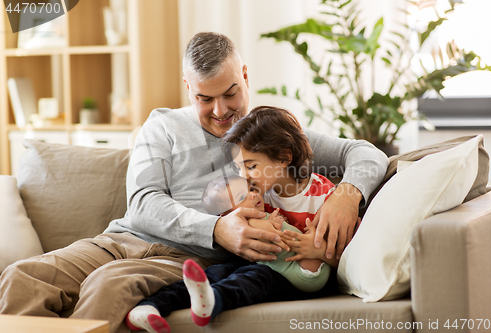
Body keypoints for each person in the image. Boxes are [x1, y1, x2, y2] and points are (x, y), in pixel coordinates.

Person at [0, 32, 388, 333]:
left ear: (246, 77)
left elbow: (367, 154)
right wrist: (218, 227)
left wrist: (347, 195)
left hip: (186, 258)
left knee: (107, 287)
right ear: (188, 87)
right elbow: (143, 203)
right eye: (205, 98)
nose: (221, 111)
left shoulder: (271, 132)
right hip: (120, 239)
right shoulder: (163, 125)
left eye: (231, 93)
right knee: (23, 276)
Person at [125, 106, 354, 333]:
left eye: (251, 166)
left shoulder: (325, 197)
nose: (244, 177)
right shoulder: (260, 193)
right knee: (217, 272)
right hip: (263, 261)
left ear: (284, 158)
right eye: (239, 168)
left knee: (254, 279)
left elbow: (346, 255)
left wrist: (317, 251)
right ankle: (151, 306)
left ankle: (213, 301)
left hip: (299, 278)